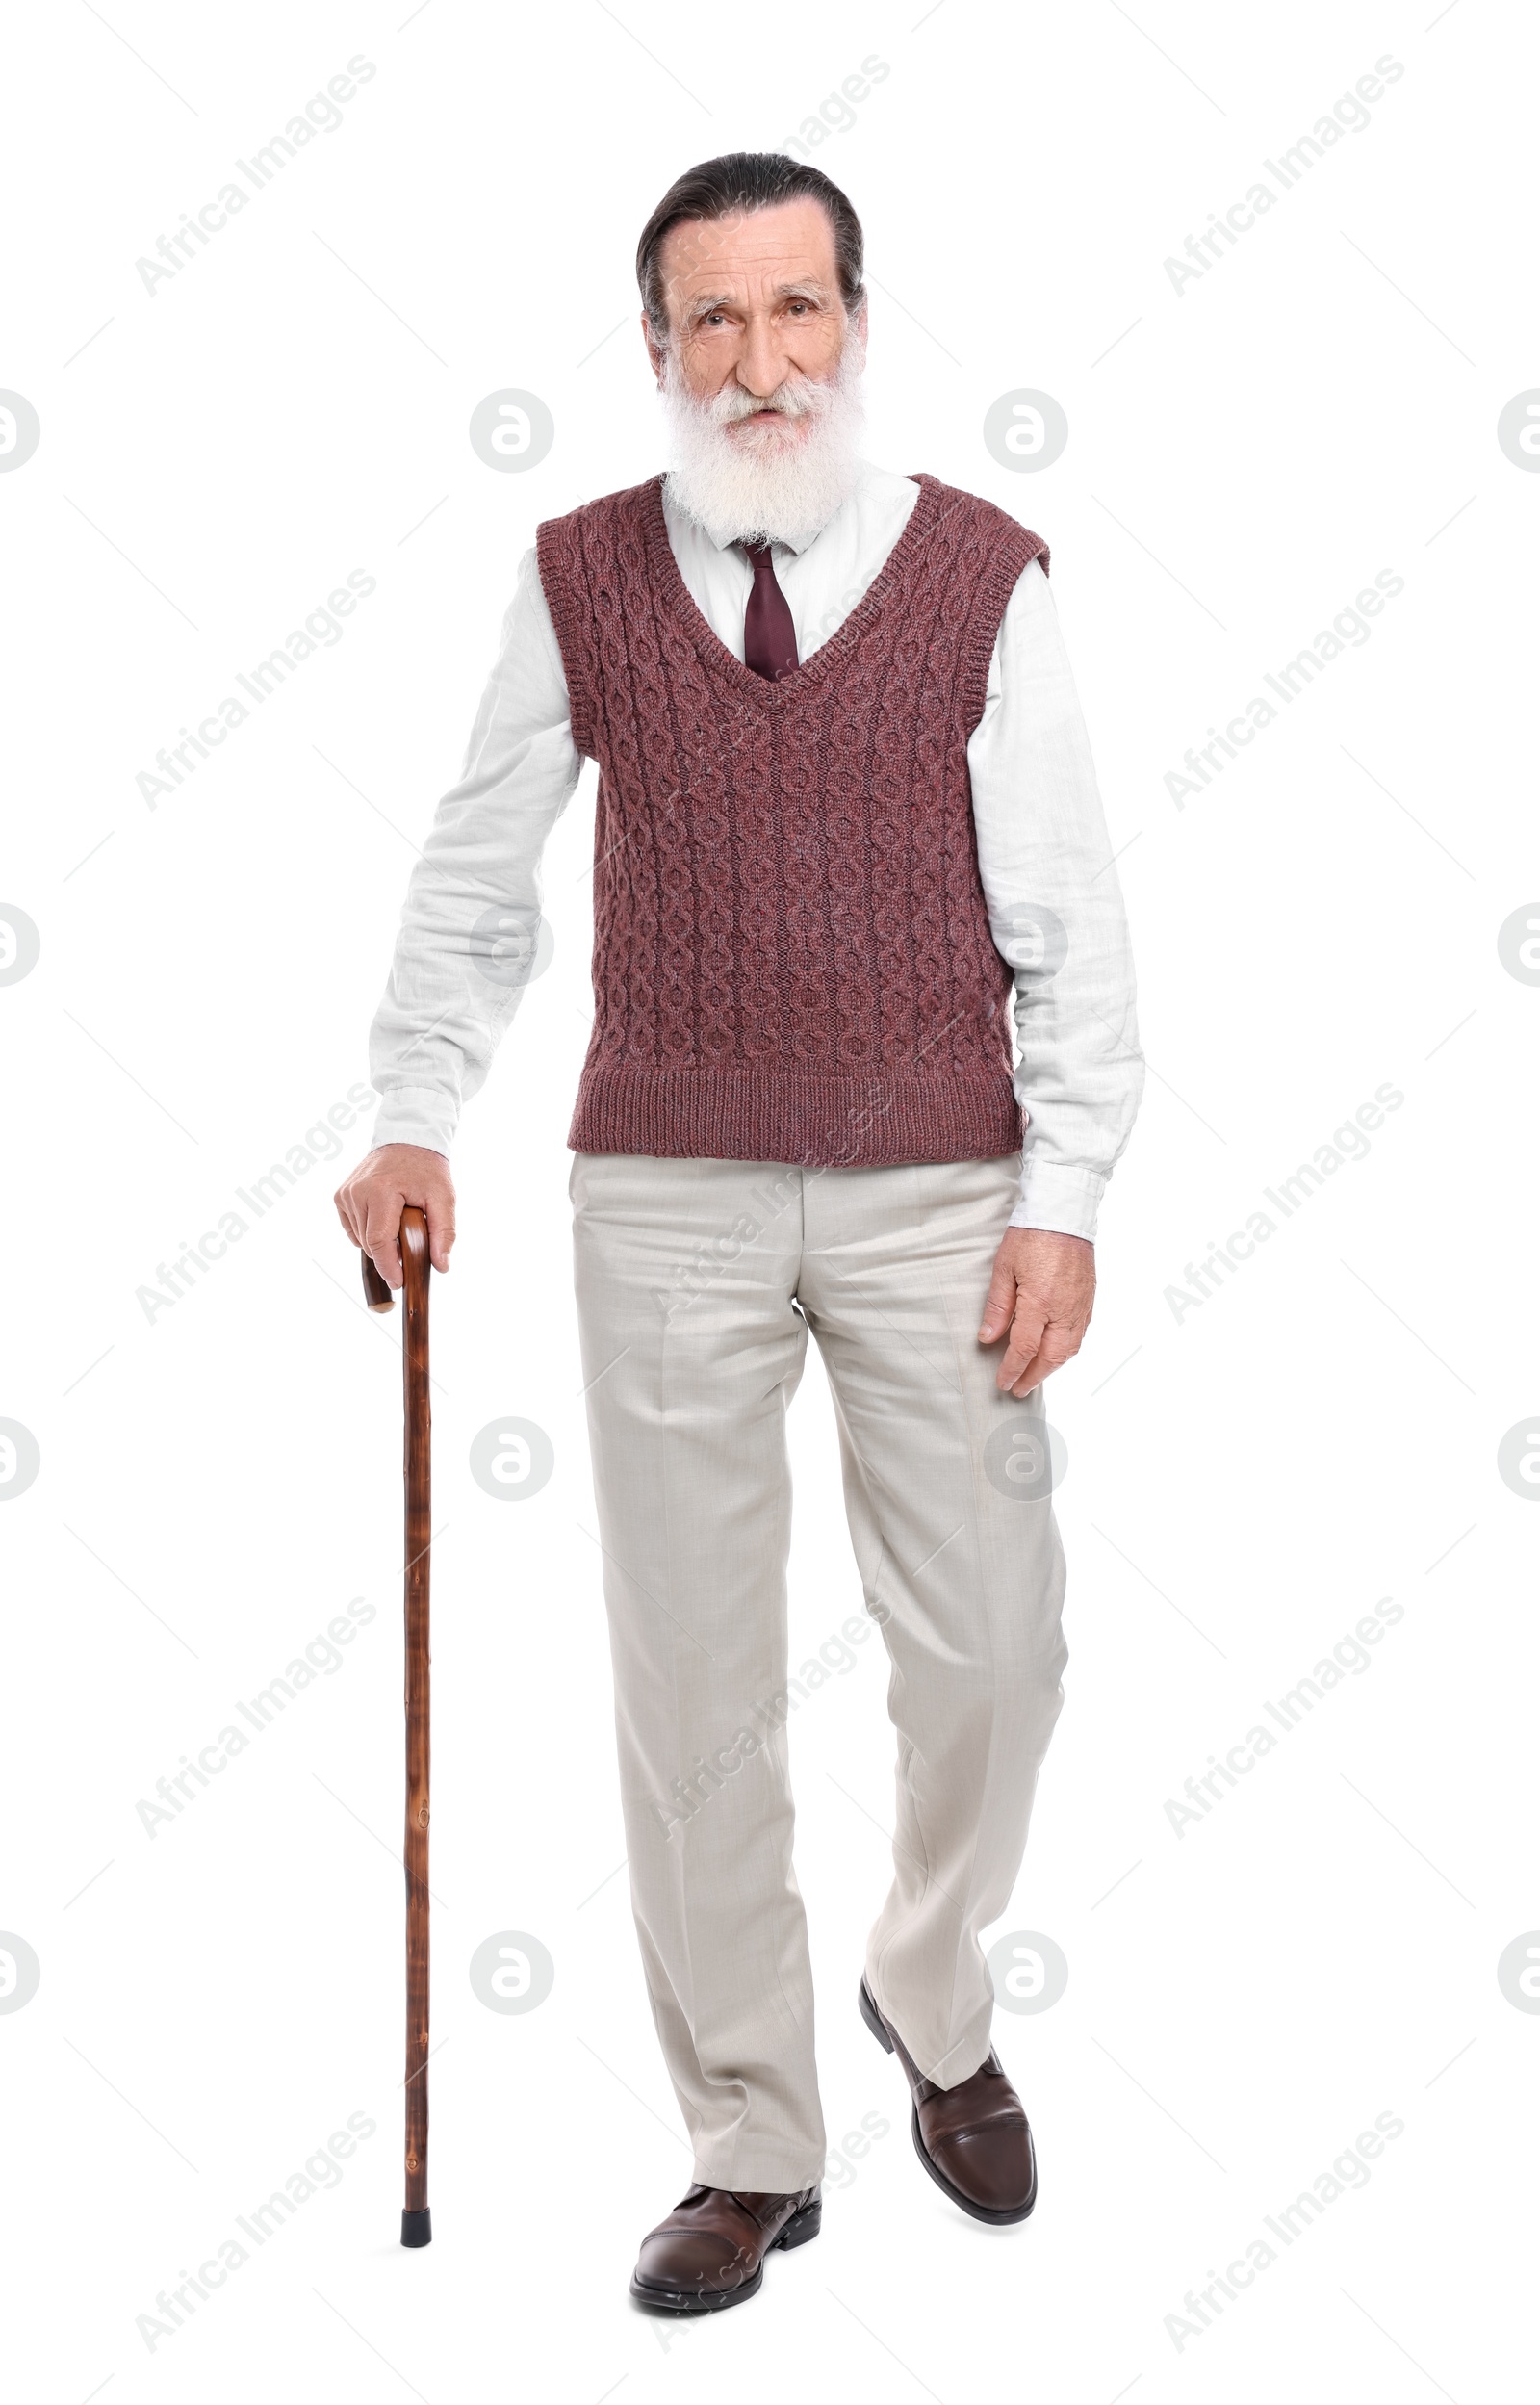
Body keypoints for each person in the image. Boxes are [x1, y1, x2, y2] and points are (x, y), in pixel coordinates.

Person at [335, 151, 1142, 2314]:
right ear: (655, 349)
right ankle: (747, 2139)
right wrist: (414, 1111)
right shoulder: (579, 577)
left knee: (992, 1647)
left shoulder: (981, 572)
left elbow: (1067, 908)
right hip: (664, 1192)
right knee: (691, 1688)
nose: (758, 361)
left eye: (796, 312)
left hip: (937, 1189)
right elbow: (477, 858)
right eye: (713, 321)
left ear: (855, 322)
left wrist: (1062, 1193)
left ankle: (929, 1990)